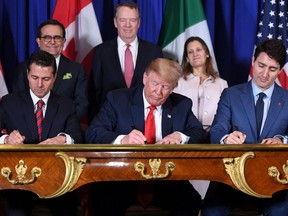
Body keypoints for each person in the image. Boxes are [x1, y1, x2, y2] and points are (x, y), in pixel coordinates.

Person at [86, 58, 207, 216]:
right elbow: (93, 132)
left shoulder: (181, 104)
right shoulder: (118, 100)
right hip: (121, 177)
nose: (159, 92)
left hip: (166, 179)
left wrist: (180, 136)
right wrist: (123, 140)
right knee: (102, 200)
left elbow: (199, 133)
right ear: (145, 78)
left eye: (165, 87)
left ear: (172, 89)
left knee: (191, 201)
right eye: (155, 84)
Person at [202, 39, 288, 216]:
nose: (264, 74)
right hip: (230, 180)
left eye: (272, 69)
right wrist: (226, 139)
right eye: (261, 65)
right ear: (253, 62)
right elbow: (217, 130)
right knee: (211, 211)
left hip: (274, 181)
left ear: (280, 70)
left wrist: (282, 140)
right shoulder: (231, 94)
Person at [0, 50, 82, 216]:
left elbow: (78, 136)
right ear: (27, 75)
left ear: (54, 77)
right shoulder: (9, 102)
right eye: (35, 78)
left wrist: (64, 138)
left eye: (45, 79)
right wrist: (6, 138)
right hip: (20, 183)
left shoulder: (67, 105)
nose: (39, 85)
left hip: (57, 182)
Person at [88, 1, 163, 121]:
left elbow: (159, 89)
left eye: (132, 20)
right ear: (115, 22)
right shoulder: (100, 52)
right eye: (123, 20)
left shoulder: (154, 52)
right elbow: (94, 92)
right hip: (109, 121)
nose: (127, 25)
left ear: (138, 23)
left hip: (144, 121)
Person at [173, 36, 228, 199]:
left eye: (198, 49)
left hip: (213, 139)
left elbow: (228, 113)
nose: (195, 54)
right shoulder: (178, 82)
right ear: (187, 58)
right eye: (190, 52)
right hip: (187, 139)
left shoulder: (221, 83)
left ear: (207, 53)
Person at [12, 19, 88, 120]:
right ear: (38, 41)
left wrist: (61, 123)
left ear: (64, 41)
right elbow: (17, 102)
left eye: (57, 37)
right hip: (30, 129)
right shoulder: (22, 68)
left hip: (65, 128)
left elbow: (82, 104)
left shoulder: (76, 69)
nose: (52, 41)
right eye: (47, 37)